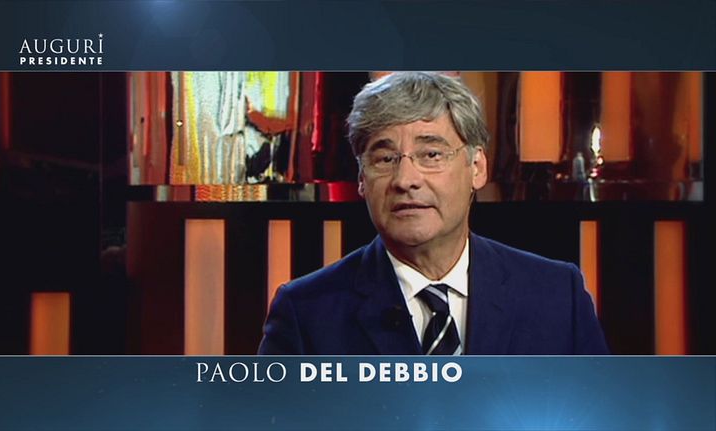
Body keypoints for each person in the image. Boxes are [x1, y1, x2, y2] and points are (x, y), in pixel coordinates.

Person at [258, 72, 609, 355]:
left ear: (477, 167)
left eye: (431, 155)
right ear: (362, 179)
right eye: (385, 159)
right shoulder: (305, 313)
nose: (405, 180)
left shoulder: (557, 295)